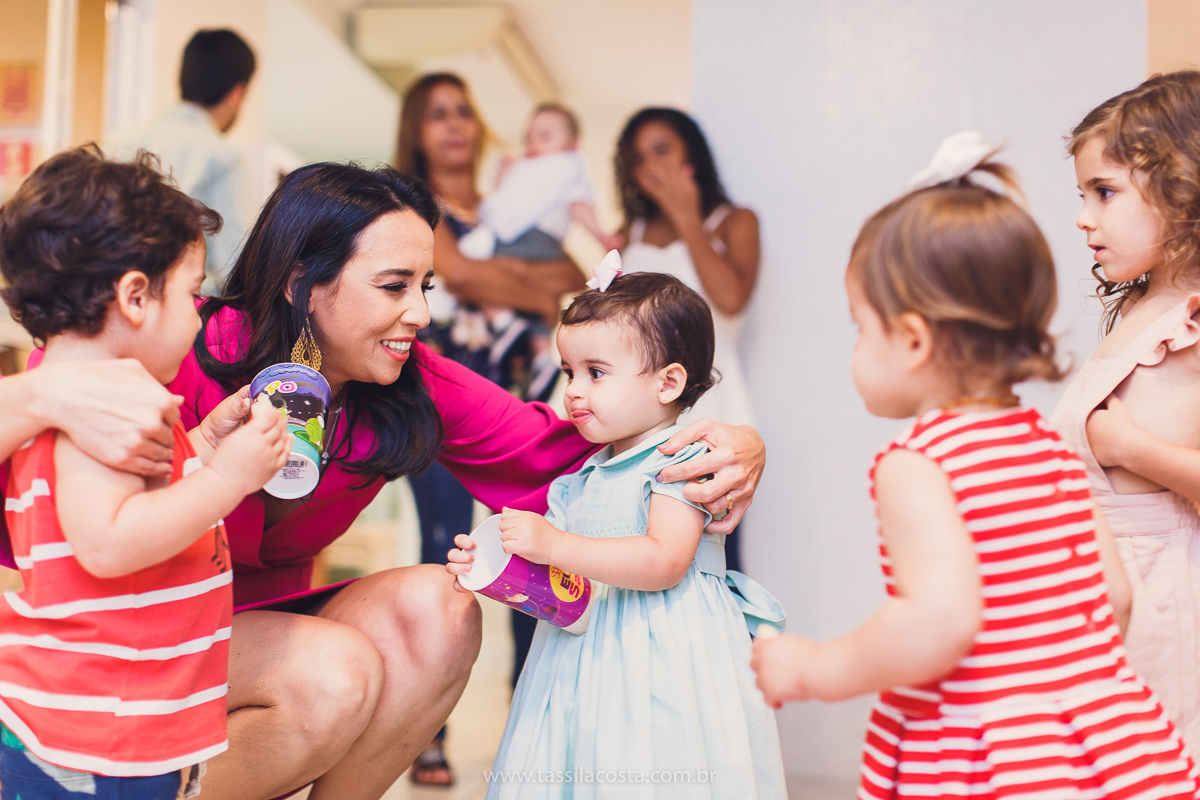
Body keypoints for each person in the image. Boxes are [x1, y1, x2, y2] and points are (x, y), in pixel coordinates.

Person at [0, 158, 766, 800]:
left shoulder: (406, 382)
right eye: (395, 286)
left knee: (440, 609)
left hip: (246, 628)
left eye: (426, 286)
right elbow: (74, 473)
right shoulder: (167, 349)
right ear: (305, 282)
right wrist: (33, 393)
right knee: (332, 676)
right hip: (117, 644)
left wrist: (723, 440)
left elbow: (571, 445)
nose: (421, 313)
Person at [751, 139, 1198, 799]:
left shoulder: (920, 462)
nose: (856, 348)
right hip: (1100, 744)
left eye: (859, 327)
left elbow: (938, 622)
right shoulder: (1047, 445)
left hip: (985, 754)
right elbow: (1115, 594)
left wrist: (816, 667)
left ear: (912, 340)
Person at [0, 148, 288, 798]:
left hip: (118, 727)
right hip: (89, 735)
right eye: (193, 294)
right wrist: (228, 480)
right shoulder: (97, 412)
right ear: (135, 296)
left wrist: (207, 446)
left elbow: (144, 507)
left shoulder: (100, 399)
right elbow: (109, 542)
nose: (199, 314)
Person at [448, 269, 787, 799]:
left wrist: (555, 543)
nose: (574, 391)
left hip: (663, 654)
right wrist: (502, 565)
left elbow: (663, 561)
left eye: (596, 372)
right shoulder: (578, 478)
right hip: (582, 656)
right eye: (569, 372)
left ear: (668, 383)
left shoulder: (683, 460)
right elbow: (560, 586)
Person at [395, 73, 588, 783]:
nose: (455, 126)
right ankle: (424, 731)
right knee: (442, 552)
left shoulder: (512, 198)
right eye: (438, 113)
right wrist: (516, 278)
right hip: (442, 400)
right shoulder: (411, 206)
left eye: (465, 112)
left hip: (528, 396)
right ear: (416, 128)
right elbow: (462, 280)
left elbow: (571, 275)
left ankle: (530, 721)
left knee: (535, 552)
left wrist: (498, 271)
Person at [1050, 71, 1200, 754]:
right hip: (1110, 588)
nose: (1084, 216)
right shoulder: (1143, 309)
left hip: (1165, 602)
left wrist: (1131, 447)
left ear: (1184, 188)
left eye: (1104, 193)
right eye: (1083, 195)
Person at [615, 108, 760, 574]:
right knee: (635, 530)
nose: (650, 167)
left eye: (662, 150)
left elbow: (731, 298)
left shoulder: (735, 222)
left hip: (712, 395)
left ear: (691, 157)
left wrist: (688, 217)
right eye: (638, 158)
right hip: (637, 398)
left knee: (712, 533)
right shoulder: (629, 232)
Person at [107, 29, 256, 293]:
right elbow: (233, 270)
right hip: (179, 319)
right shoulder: (222, 157)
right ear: (237, 93)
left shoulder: (117, 142)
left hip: (108, 310)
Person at [458, 102, 621, 261]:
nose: (534, 143)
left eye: (545, 136)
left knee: (482, 256)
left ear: (572, 144)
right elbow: (504, 198)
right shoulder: (525, 167)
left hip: (540, 237)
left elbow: (579, 204)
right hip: (511, 234)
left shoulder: (566, 169)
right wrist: (503, 172)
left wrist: (600, 234)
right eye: (528, 138)